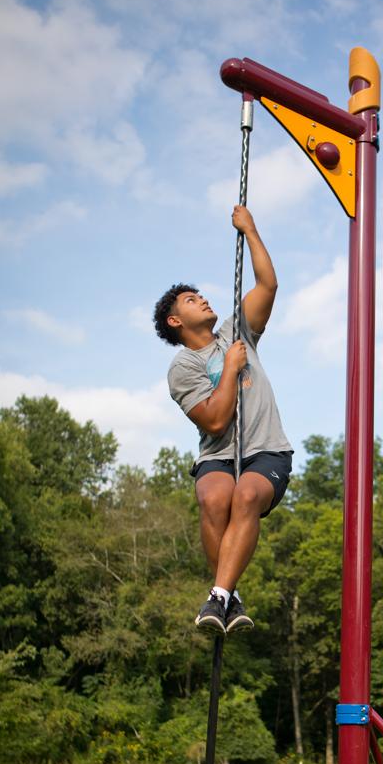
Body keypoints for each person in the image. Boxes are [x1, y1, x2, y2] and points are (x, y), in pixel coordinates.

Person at [157, 206, 292, 634]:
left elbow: (268, 284)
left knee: (247, 496)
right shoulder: (183, 367)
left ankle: (220, 596)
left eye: (202, 295)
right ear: (176, 321)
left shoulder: (240, 332)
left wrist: (250, 229)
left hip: (265, 450)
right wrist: (231, 368)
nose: (204, 300)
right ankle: (229, 596)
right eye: (192, 300)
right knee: (215, 499)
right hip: (219, 454)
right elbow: (215, 422)